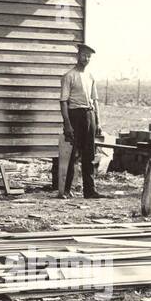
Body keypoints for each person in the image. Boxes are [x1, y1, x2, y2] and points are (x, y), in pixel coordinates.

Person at [59, 43, 102, 198]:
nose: (86, 58)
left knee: (89, 154)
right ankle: (66, 190)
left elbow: (95, 99)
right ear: (78, 56)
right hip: (75, 115)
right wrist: (67, 124)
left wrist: (98, 121)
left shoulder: (90, 76)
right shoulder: (69, 76)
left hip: (89, 115)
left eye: (89, 56)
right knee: (72, 154)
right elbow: (63, 102)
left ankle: (89, 190)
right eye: (84, 55)